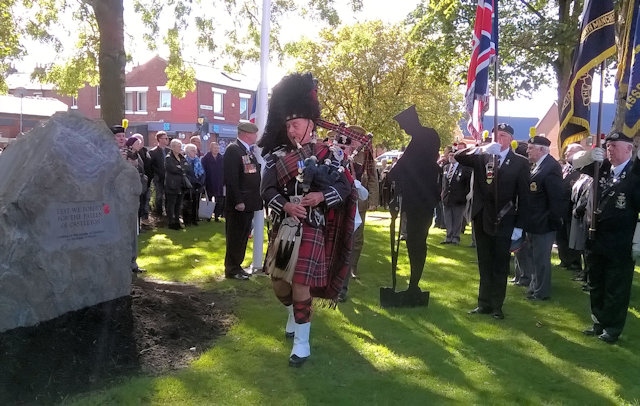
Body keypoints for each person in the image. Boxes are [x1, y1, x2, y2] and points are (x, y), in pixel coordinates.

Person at [259, 72, 355, 367]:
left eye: (295, 124)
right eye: (287, 125)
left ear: (310, 124)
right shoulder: (277, 156)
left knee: (301, 285)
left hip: (313, 228)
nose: (290, 130)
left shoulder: (329, 155)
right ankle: (292, 313)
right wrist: (286, 206)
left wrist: (321, 197)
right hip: (286, 227)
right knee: (279, 284)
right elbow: (267, 190)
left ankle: (302, 343)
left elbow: (345, 187)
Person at [455, 123, 530, 319]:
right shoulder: (483, 157)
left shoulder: (520, 162)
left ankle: (497, 305)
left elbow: (524, 196)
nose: (499, 139)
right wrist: (480, 148)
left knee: (500, 263)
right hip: (482, 216)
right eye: (497, 135)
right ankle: (483, 303)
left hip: (504, 218)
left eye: (504, 135)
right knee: (484, 262)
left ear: (511, 139)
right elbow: (458, 157)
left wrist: (520, 226)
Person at [571, 131, 640, 344]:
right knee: (596, 282)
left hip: (621, 240)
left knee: (616, 286)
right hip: (595, 238)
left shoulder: (637, 173)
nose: (610, 150)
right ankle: (598, 321)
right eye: (608, 147)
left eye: (614, 146)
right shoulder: (601, 168)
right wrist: (590, 155)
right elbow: (574, 163)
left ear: (629, 149)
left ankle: (612, 327)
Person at [387, 105, 441, 300]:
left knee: (417, 240)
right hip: (413, 198)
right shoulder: (418, 140)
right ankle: (413, 284)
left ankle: (414, 284)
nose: (403, 129)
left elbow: (406, 164)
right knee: (412, 240)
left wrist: (394, 174)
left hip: (423, 199)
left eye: (403, 125)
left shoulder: (426, 137)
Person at [520, 136, 565, 301]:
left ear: (542, 149)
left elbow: (556, 198)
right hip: (533, 221)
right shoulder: (537, 166)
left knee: (541, 259)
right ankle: (534, 287)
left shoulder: (551, 167)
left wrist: (553, 221)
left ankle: (541, 292)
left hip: (543, 223)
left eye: (531, 148)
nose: (527, 151)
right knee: (533, 257)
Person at [223, 121, 263, 280]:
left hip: (248, 202)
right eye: (254, 134)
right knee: (235, 236)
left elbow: (251, 173)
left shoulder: (246, 151)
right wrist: (238, 200)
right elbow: (231, 179)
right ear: (246, 134)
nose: (256, 136)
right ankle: (231, 269)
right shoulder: (233, 150)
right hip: (239, 204)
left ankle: (237, 266)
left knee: (242, 236)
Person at [111, 125, 145, 273]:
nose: (122, 139)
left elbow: (140, 171)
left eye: (123, 136)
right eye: (118, 136)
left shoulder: (132, 153)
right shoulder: (108, 153)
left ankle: (132, 262)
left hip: (130, 198)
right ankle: (118, 263)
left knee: (131, 231)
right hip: (115, 199)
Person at [557, 143, 585, 271]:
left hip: (572, 208)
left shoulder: (581, 169)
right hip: (561, 208)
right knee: (561, 235)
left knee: (571, 235)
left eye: (569, 151)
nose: (566, 153)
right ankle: (565, 260)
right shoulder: (565, 168)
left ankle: (574, 262)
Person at [441, 145, 472, 245]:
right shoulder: (446, 167)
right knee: (448, 218)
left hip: (459, 198)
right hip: (447, 197)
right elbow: (444, 183)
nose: (451, 157)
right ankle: (448, 236)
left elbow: (467, 184)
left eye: (453, 155)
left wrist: (466, 195)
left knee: (457, 218)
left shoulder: (464, 168)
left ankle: (455, 237)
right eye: (450, 155)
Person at [165, 138, 187, 230]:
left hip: (181, 184)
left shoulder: (182, 157)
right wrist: (181, 168)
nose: (180, 148)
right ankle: (171, 222)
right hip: (172, 184)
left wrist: (180, 168)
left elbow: (187, 167)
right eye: (178, 146)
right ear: (173, 147)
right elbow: (173, 169)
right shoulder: (168, 158)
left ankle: (177, 221)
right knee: (171, 204)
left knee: (179, 204)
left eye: (180, 146)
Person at [182, 143, 205, 226]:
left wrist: (200, 182)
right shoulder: (184, 161)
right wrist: (194, 181)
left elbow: (202, 173)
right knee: (187, 204)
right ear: (187, 151)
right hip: (188, 185)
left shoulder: (198, 160)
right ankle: (187, 221)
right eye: (192, 150)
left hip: (197, 185)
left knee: (196, 203)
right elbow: (185, 174)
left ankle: (194, 219)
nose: (195, 152)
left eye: (195, 150)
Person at [202, 142, 225, 221]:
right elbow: (203, 170)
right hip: (209, 181)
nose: (216, 150)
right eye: (215, 148)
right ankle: (208, 215)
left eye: (217, 148)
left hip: (219, 182)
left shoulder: (221, 158)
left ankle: (216, 216)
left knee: (219, 200)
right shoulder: (205, 158)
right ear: (211, 148)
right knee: (209, 199)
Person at [149, 131, 170, 217]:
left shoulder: (169, 151)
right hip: (158, 178)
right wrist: (157, 174)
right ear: (159, 139)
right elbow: (151, 166)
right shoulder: (153, 152)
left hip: (169, 178)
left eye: (167, 138)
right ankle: (159, 214)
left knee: (168, 196)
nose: (167, 140)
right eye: (165, 138)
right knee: (159, 196)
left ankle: (168, 213)